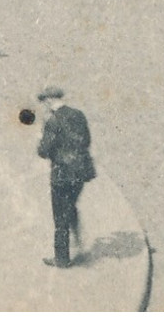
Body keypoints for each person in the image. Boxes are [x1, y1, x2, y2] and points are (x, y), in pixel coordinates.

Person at [36, 86, 95, 269]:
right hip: (81, 172)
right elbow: (87, 140)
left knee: (60, 217)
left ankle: (62, 259)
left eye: (44, 102)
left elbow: (43, 151)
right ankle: (78, 240)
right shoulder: (78, 115)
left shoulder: (52, 121)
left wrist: (42, 136)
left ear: (49, 100)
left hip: (62, 174)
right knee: (70, 205)